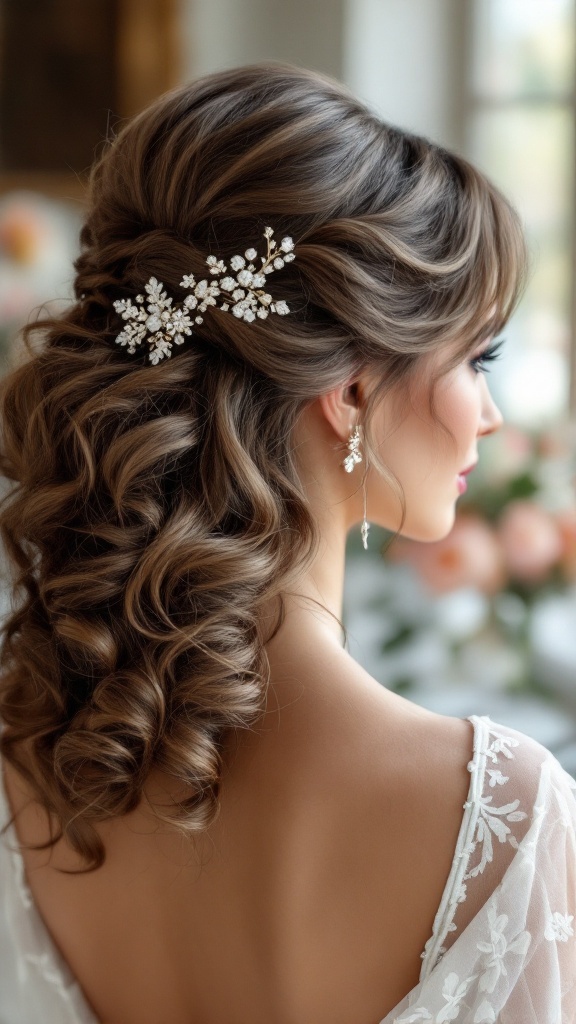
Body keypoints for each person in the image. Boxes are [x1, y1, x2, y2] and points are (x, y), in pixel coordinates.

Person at [0, 63, 574, 1024]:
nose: (489, 414)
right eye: (476, 359)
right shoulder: (504, 817)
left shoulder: (28, 759)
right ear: (349, 390)